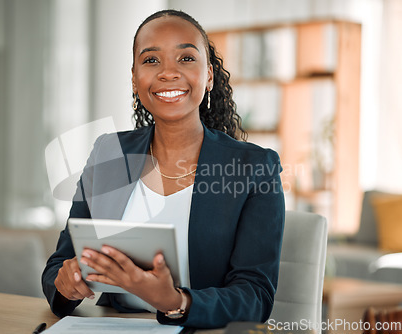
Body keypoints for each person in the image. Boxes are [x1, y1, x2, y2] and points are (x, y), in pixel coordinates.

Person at [42, 9, 285, 329]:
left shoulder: (254, 167)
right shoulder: (108, 154)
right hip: (113, 327)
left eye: (185, 58)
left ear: (209, 76)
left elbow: (255, 296)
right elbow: (59, 266)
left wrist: (174, 301)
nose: (168, 72)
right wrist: (67, 284)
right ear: (134, 78)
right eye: (152, 60)